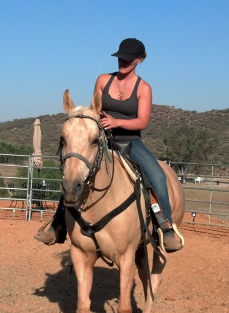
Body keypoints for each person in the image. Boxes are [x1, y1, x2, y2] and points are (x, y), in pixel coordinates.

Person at [34, 38, 183, 253]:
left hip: (131, 141)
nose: (122, 61)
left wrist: (117, 122)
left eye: (128, 59)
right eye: (120, 57)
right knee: (75, 171)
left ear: (139, 60)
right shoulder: (103, 80)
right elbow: (96, 109)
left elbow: (143, 121)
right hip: (104, 139)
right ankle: (58, 224)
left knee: (158, 176)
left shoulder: (144, 88)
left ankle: (165, 227)